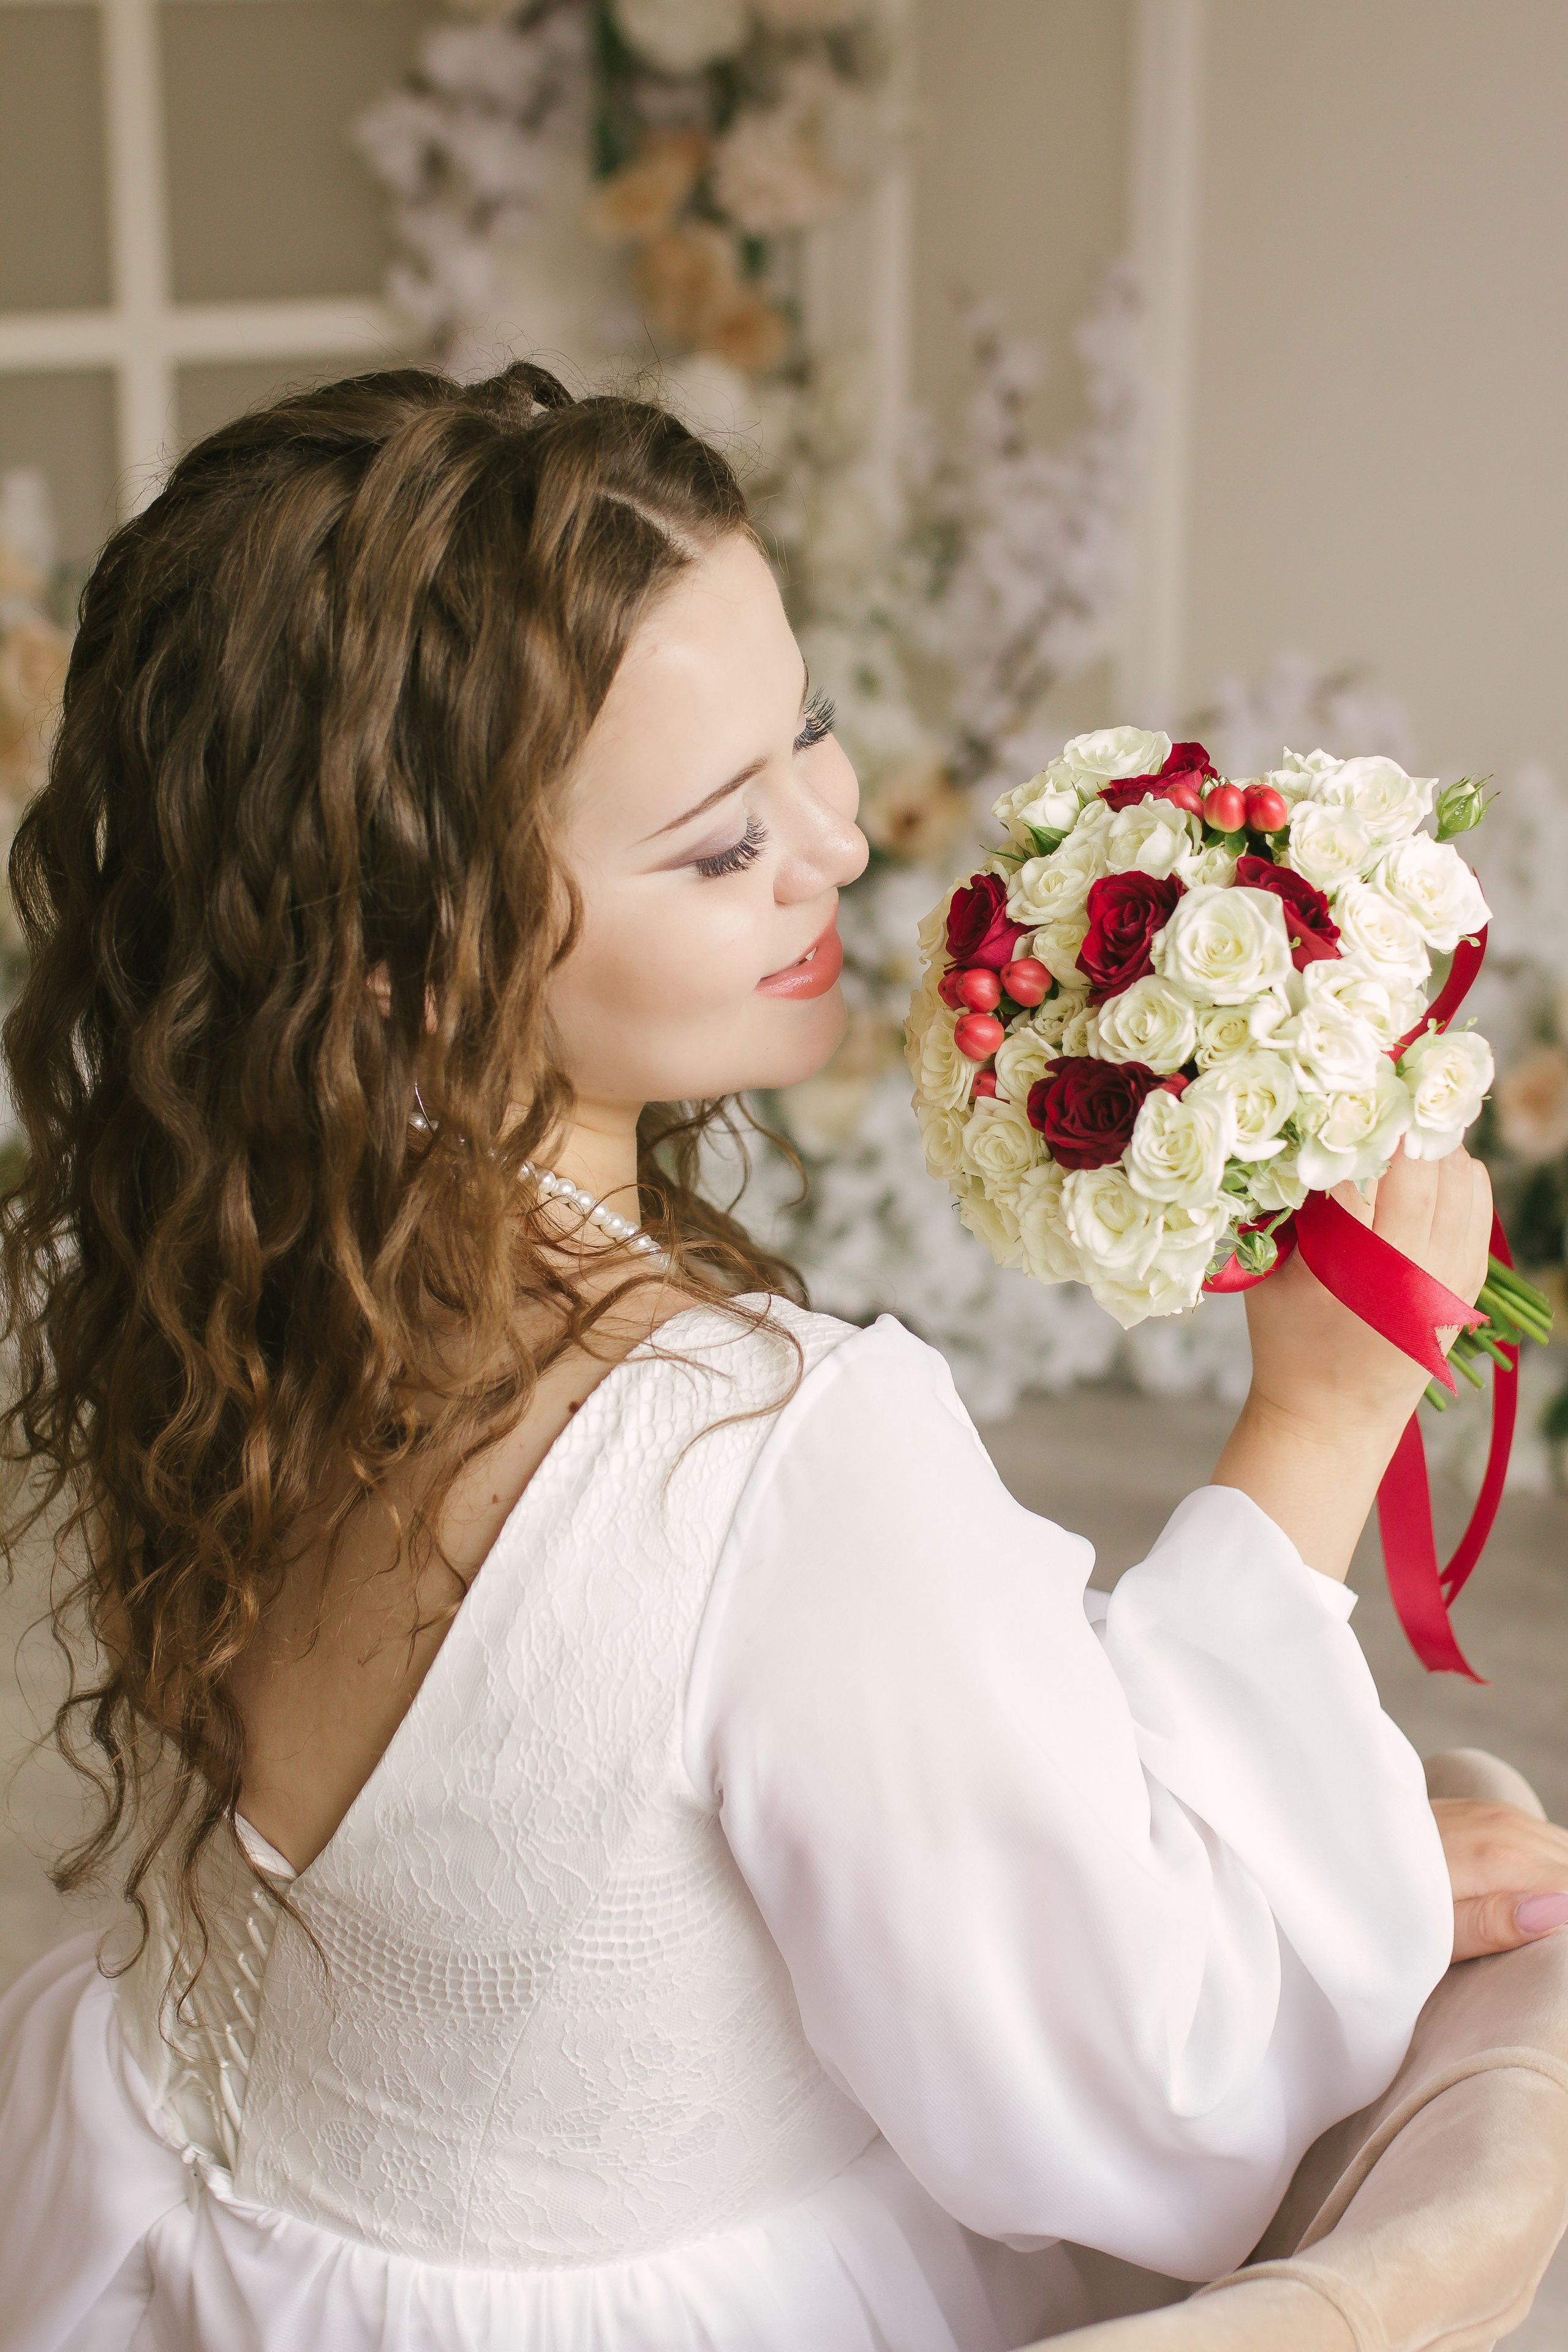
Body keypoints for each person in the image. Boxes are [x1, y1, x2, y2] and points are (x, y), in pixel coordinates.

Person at [0, 361, 1563, 2352]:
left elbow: (705, 1790)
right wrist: (1321, 1426)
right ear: (401, 957)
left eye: (806, 727)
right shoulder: (759, 1460)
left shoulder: (224, 1277)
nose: (838, 837)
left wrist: (1269, 1820)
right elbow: (1156, 2081)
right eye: (721, 841)